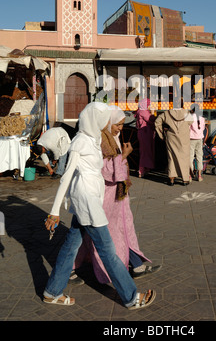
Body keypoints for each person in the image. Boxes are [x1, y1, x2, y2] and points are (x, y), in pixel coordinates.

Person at [43, 102, 155, 309]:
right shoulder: (81, 142)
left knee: (70, 247)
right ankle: (130, 297)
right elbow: (66, 177)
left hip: (91, 199)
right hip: (87, 202)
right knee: (108, 251)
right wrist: (54, 212)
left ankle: (52, 291)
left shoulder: (94, 139)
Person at [73, 106, 161, 282]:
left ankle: (135, 265)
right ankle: (76, 269)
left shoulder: (112, 138)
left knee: (122, 231)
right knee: (93, 236)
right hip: (105, 196)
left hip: (117, 197)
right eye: (118, 124)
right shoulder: (98, 141)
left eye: (122, 124)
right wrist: (124, 156)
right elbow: (106, 171)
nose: (120, 128)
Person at [155, 102, 193, 185]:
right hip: (184, 138)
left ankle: (171, 179)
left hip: (171, 137)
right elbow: (191, 122)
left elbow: (157, 122)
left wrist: (162, 135)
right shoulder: (186, 112)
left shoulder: (166, 113)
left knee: (172, 157)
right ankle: (185, 179)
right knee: (185, 157)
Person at [134, 98, 156, 178]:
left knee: (145, 151)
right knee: (145, 151)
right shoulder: (143, 112)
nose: (150, 106)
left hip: (144, 133)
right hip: (145, 133)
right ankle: (141, 170)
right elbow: (151, 120)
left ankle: (145, 168)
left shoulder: (141, 111)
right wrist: (153, 113)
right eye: (149, 104)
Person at [189, 109, 205, 182]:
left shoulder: (190, 118)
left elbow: (188, 128)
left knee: (190, 157)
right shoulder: (202, 118)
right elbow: (203, 128)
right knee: (199, 156)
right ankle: (199, 175)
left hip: (191, 139)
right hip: (199, 139)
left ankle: (189, 175)